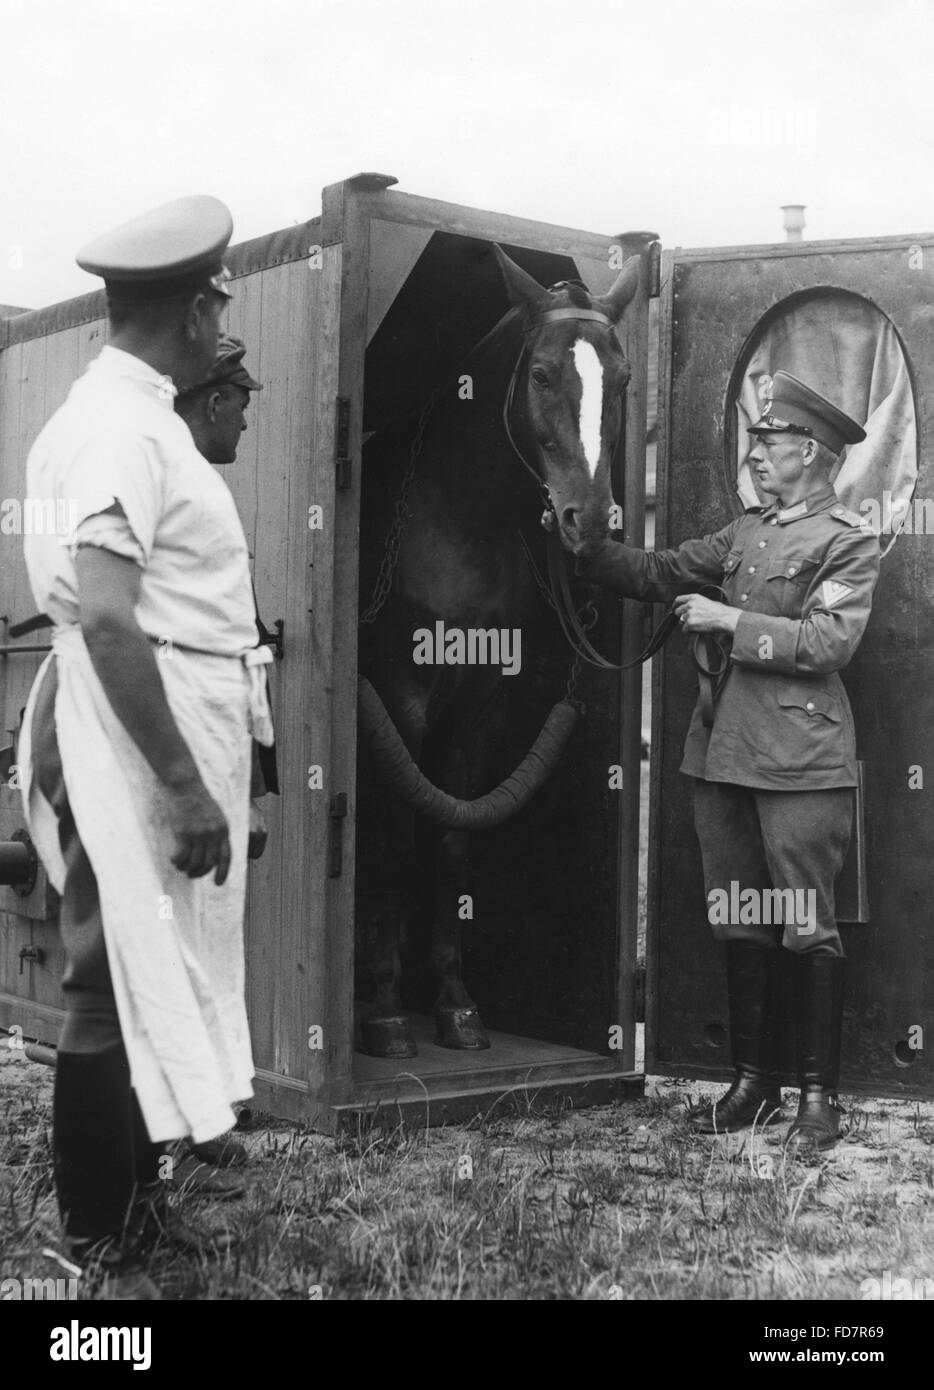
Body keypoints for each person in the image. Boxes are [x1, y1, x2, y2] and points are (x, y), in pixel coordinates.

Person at [18, 195, 274, 1298]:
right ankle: (98, 1230)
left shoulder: (120, 413)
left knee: (139, 973)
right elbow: (111, 616)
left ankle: (129, 1200)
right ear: (192, 305)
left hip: (147, 709)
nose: (225, 315)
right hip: (134, 725)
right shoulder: (122, 427)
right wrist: (179, 785)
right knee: (103, 974)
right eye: (217, 297)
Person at [565, 372, 880, 1155]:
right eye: (757, 442)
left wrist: (730, 618)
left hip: (800, 758)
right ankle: (752, 1084)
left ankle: (817, 1099)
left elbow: (829, 643)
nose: (757, 456)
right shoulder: (745, 534)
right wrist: (587, 547)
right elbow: (661, 572)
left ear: (810, 451)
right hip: (724, 754)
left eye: (770, 444)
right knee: (742, 913)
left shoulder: (847, 537)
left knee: (805, 924)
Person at [173, 334, 278, 1179]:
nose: (247, 421)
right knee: (179, 934)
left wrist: (255, 784)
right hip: (183, 751)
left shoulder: (207, 488)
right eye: (242, 404)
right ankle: (177, 1120)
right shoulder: (174, 482)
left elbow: (243, 655)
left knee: (213, 932)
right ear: (214, 401)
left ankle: (206, 1110)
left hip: (219, 745)